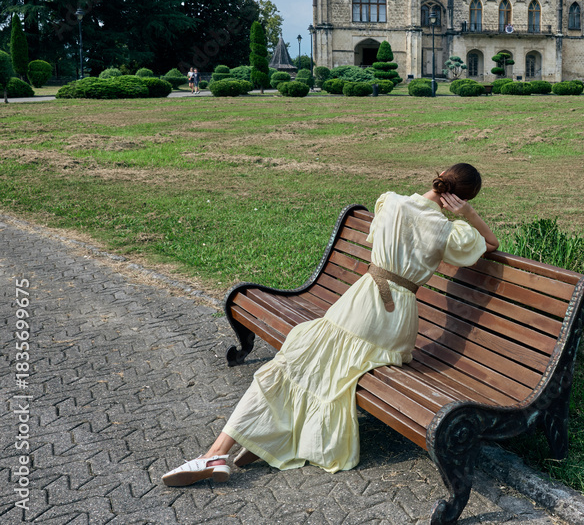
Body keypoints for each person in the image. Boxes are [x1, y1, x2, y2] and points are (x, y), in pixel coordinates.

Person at [162, 164, 499, 487]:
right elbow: (492, 244)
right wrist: (467, 214)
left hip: (362, 304)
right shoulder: (449, 231)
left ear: (440, 177)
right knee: (314, 364)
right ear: (462, 198)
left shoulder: (391, 202)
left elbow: (379, 239)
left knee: (290, 364)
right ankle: (263, 438)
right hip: (396, 325)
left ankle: (217, 453)